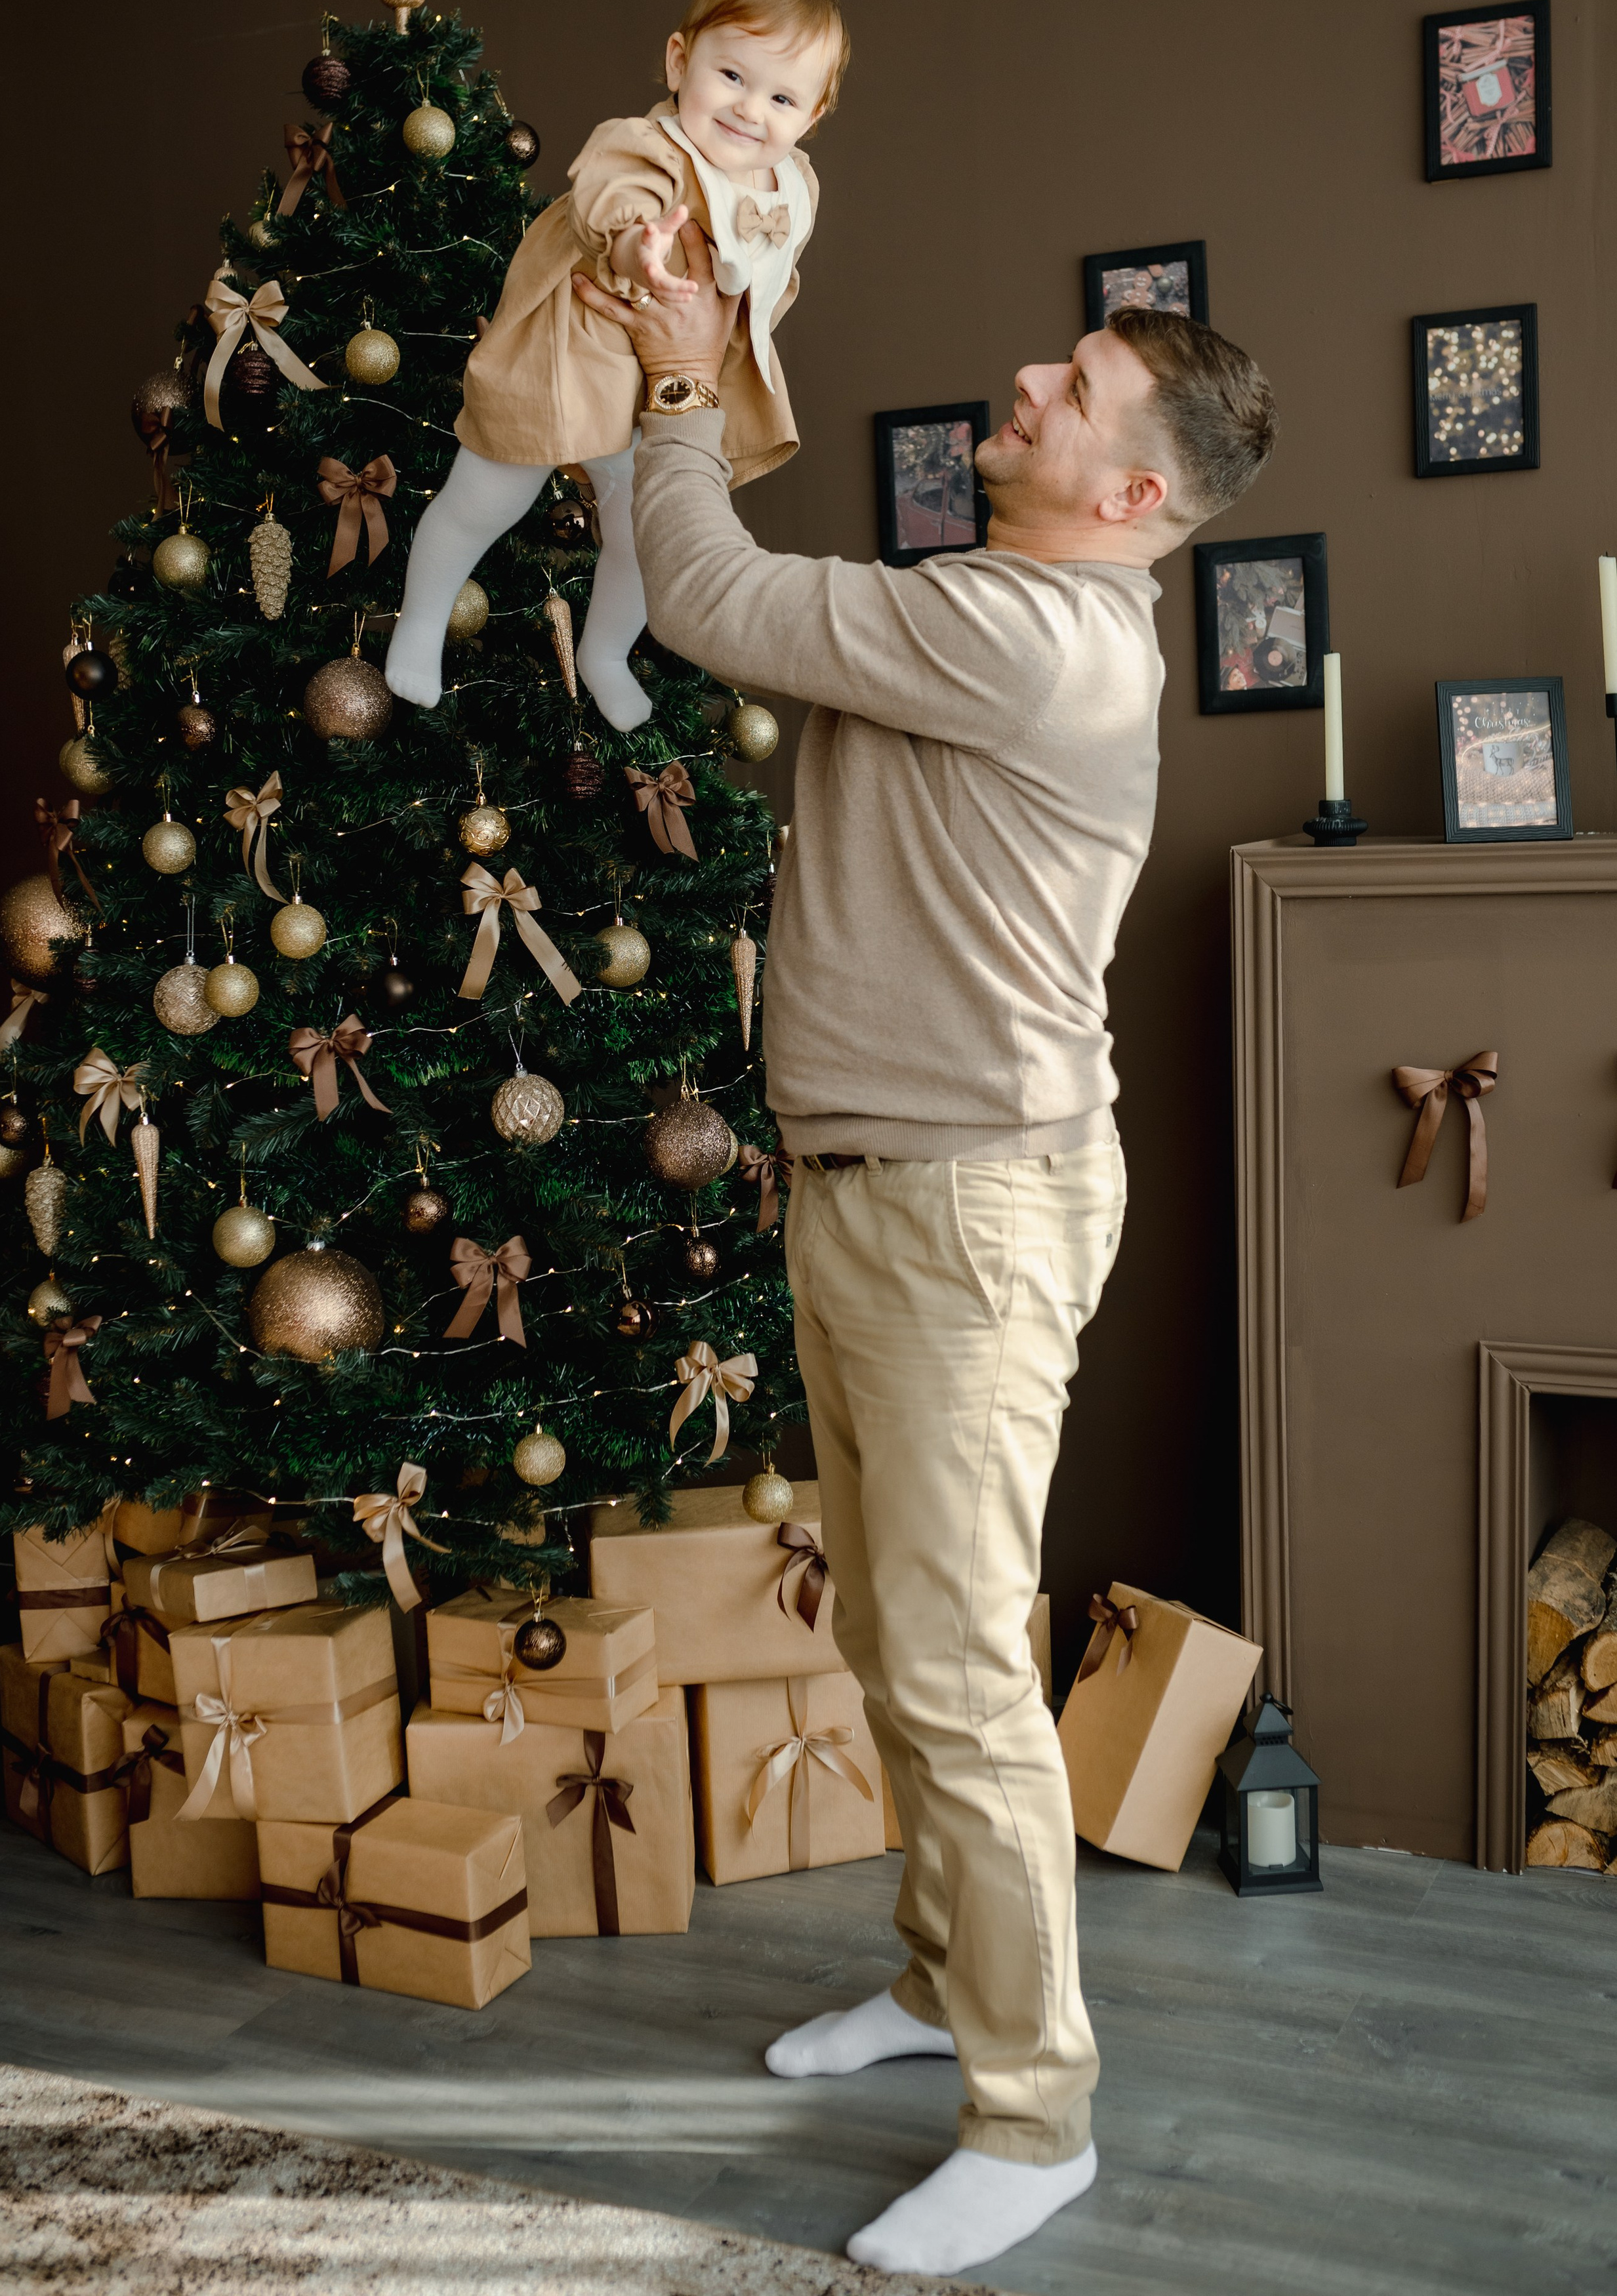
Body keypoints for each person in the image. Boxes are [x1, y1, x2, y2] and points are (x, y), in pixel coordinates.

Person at [577, 231, 1276, 2277]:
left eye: (1076, 390)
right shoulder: (1000, 612)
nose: (1029, 385)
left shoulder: (1035, 634)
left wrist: (684, 382)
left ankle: (1033, 2114)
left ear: (1130, 489)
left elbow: (709, 596)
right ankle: (937, 1977)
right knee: (899, 1642)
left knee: (958, 1670)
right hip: (886, 1185)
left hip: (965, 1206)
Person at [384, 0, 846, 726]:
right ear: (679, 61)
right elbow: (614, 206)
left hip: (665, 386)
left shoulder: (795, 185)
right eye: (731, 75)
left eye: (781, 96)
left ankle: (603, 654)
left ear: (813, 114)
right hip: (571, 354)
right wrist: (642, 252)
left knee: (646, 531)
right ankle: (423, 620)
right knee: (487, 495)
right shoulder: (646, 146)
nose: (748, 108)